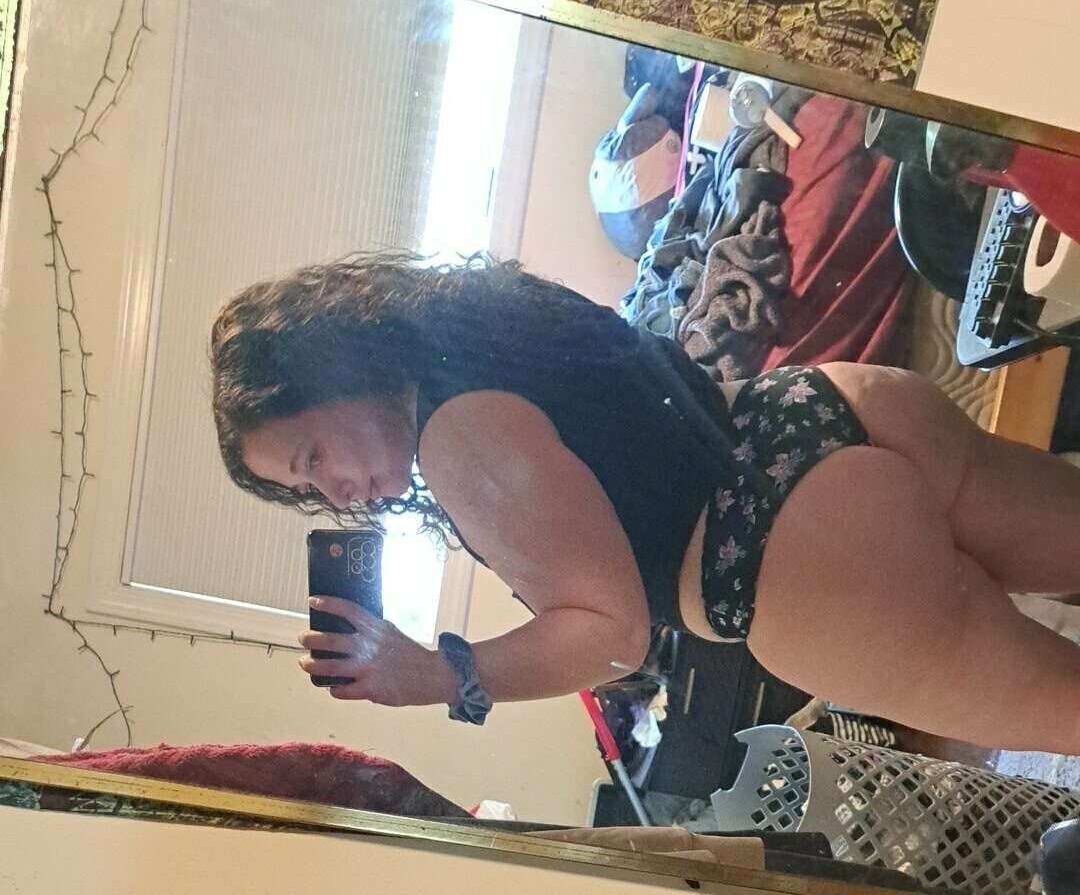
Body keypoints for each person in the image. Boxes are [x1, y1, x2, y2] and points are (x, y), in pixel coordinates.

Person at [211, 255, 1080, 754]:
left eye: (312, 458)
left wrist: (437, 675)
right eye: (307, 490)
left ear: (333, 371)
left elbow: (611, 633)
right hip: (823, 405)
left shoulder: (454, 439)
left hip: (803, 562)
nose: (334, 493)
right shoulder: (468, 314)